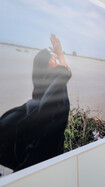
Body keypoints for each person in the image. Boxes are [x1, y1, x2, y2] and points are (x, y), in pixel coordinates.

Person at [0, 34, 72, 172]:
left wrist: (60, 54)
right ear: (45, 64)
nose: (55, 58)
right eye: (51, 57)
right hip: (50, 155)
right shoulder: (54, 89)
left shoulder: (42, 88)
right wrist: (60, 53)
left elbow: (64, 73)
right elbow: (65, 73)